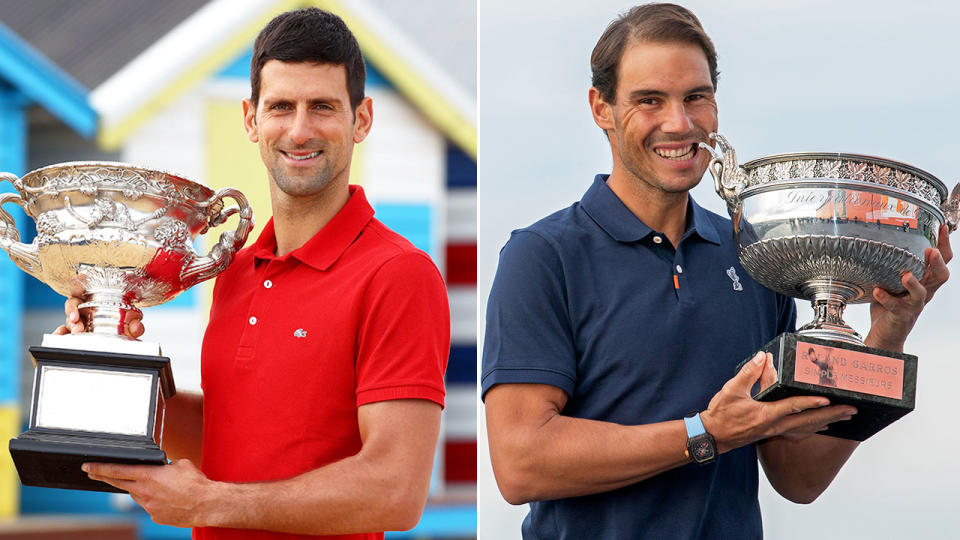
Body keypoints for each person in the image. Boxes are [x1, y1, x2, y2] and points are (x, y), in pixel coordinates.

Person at [481, 3, 951, 539]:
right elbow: (520, 463)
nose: (679, 123)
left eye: (695, 98)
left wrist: (888, 331)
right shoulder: (542, 256)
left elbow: (797, 477)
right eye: (649, 100)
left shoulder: (755, 254)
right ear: (601, 107)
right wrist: (706, 434)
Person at [59, 8, 450, 540]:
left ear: (362, 119)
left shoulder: (398, 274)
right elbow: (224, 438)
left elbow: (396, 491)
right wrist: (114, 361)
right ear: (251, 119)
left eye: (324, 107)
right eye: (281, 106)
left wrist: (210, 504)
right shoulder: (236, 270)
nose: (300, 129)